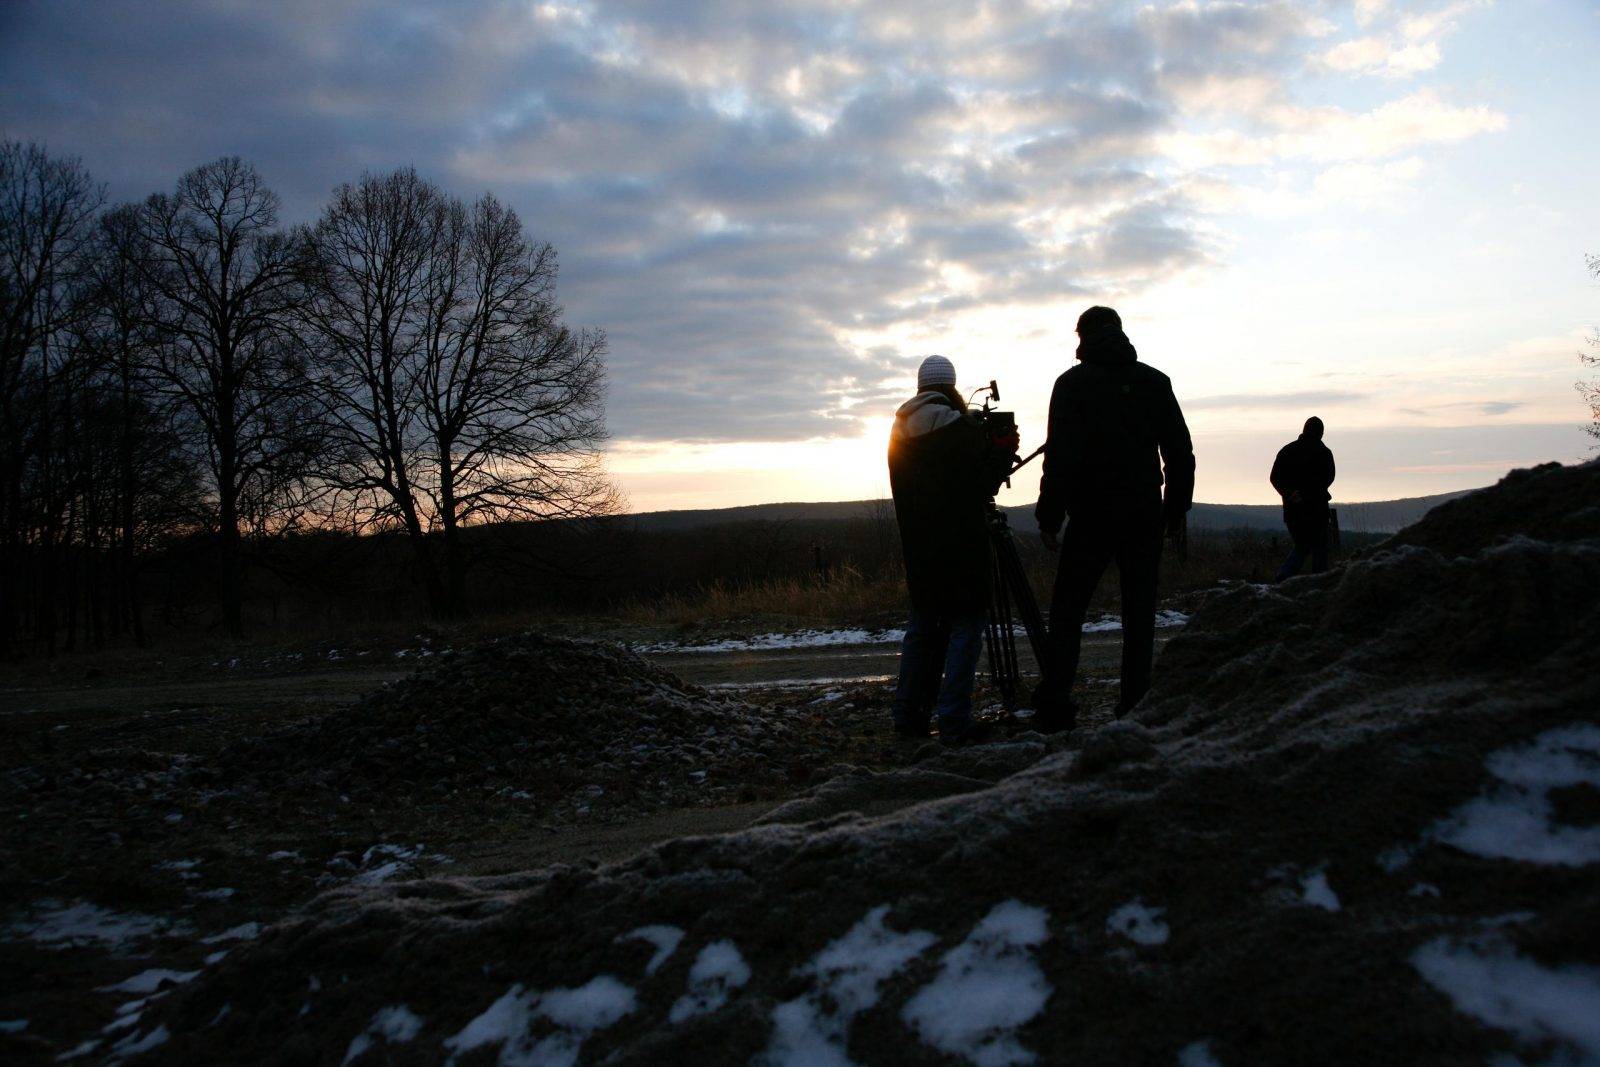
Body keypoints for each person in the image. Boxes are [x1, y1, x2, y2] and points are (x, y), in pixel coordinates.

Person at [1031, 306, 1194, 729]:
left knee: (1067, 613)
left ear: (1082, 337)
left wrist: (1049, 518)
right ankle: (1135, 706)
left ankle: (1054, 707)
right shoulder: (1154, 382)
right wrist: (1174, 513)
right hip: (1143, 514)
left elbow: (1060, 459)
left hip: (1090, 514)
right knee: (1139, 615)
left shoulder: (1071, 384)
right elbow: (1180, 454)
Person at [888, 354, 1019, 745]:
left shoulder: (899, 432)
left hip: (920, 550)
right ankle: (954, 721)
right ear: (951, 387)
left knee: (923, 629)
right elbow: (980, 486)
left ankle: (909, 718)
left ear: (920, 387)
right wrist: (1000, 452)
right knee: (966, 627)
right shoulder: (959, 430)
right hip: (963, 546)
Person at [1270, 416, 1336, 581]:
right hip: (1317, 510)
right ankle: (1316, 584)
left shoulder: (1287, 450)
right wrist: (1312, 492)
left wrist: (1290, 493)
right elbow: (1329, 477)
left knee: (1302, 546)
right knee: (1318, 548)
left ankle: (1284, 578)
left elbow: (1274, 477)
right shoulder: (1324, 452)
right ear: (1321, 433)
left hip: (1293, 511)